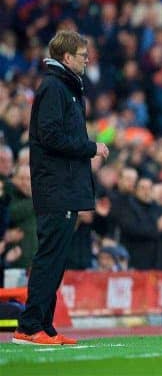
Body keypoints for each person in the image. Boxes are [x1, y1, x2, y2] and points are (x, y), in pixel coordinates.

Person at [13, 30, 109, 345]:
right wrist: (89, 147)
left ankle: (44, 324)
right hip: (55, 186)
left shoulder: (64, 87)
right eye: (82, 55)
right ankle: (28, 327)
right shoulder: (54, 87)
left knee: (56, 258)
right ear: (67, 58)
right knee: (49, 256)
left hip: (63, 185)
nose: (87, 60)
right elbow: (50, 136)